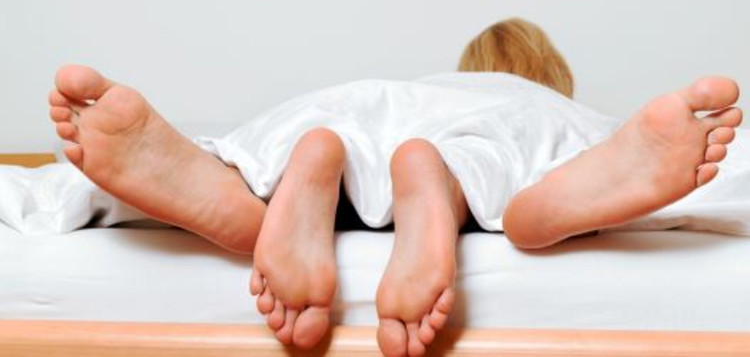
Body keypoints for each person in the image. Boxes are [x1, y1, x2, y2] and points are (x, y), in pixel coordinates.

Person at [47, 18, 742, 357]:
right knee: (511, 157)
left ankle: (260, 183)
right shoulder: (539, 99)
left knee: (324, 134)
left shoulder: (420, 90)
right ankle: (533, 201)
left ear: (464, 65)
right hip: (529, 131)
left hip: (357, 110)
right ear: (552, 77)